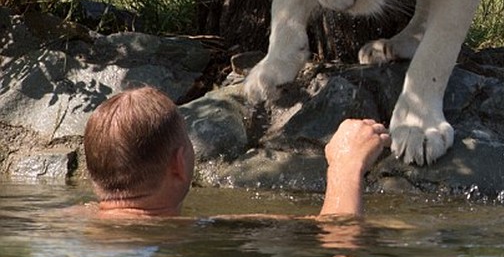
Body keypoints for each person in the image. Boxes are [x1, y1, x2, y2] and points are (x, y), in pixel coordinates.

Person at [82, 86, 390, 219]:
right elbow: (339, 236)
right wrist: (345, 166)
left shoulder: (73, 220)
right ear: (179, 164)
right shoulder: (200, 230)